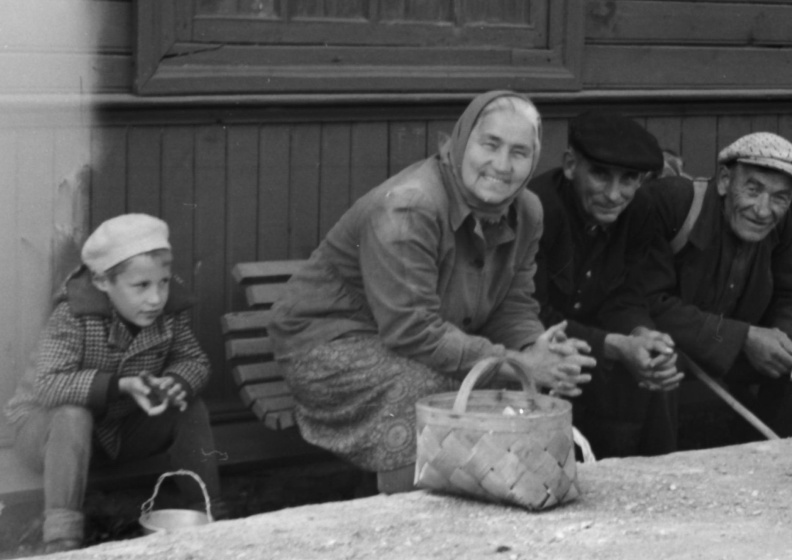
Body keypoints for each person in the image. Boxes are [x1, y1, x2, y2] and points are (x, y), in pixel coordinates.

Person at [268, 90, 595, 494]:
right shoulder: (410, 207)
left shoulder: (526, 210)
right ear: (461, 142)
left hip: (409, 342)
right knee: (429, 397)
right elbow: (412, 329)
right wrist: (519, 364)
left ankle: (483, 517)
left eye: (519, 152)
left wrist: (536, 348)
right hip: (326, 343)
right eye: (489, 145)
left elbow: (512, 302)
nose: (501, 165)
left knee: (503, 391)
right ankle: (410, 526)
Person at [4, 214, 221, 554]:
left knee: (189, 406)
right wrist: (120, 385)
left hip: (118, 433)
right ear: (104, 281)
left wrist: (176, 382)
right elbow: (47, 384)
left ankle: (211, 518)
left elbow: (194, 360)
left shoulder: (169, 313)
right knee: (73, 414)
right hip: (48, 437)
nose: (156, 298)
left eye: (163, 282)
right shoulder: (75, 314)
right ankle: (62, 539)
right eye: (141, 286)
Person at [632, 132, 792, 440]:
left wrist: (786, 343)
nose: (764, 210)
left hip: (729, 344)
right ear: (724, 180)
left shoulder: (779, 222)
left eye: (780, 197)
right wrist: (744, 338)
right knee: (659, 354)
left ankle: (778, 462)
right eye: (753, 189)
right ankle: (664, 471)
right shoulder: (674, 202)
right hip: (678, 342)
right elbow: (648, 302)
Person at [529, 110, 683, 459]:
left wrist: (640, 333)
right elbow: (533, 314)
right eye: (600, 174)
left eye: (628, 179)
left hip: (598, 339)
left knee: (663, 364)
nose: (615, 195)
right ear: (570, 165)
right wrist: (615, 346)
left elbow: (627, 293)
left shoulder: (640, 209)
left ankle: (659, 477)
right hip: (537, 342)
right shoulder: (538, 210)